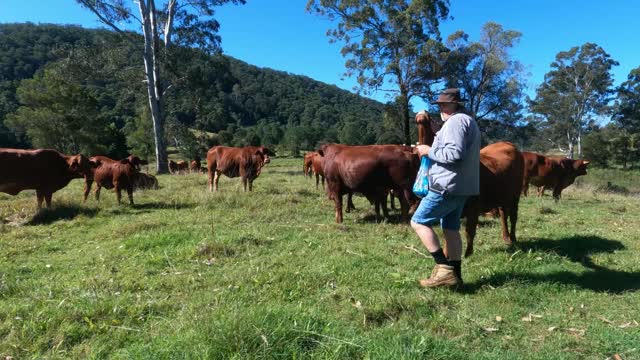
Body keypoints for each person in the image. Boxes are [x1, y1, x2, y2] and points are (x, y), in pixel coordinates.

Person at [411, 88, 481, 288]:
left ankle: (443, 269)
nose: (441, 107)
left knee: (418, 221)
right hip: (462, 186)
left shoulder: (455, 122)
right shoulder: (467, 121)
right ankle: (456, 276)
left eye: (444, 104)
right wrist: (435, 130)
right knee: (450, 228)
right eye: (439, 104)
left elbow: (454, 154)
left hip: (446, 186)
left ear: (455, 105)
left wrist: (427, 150)